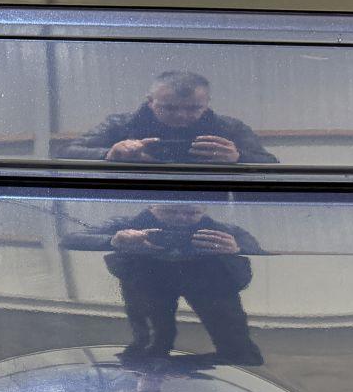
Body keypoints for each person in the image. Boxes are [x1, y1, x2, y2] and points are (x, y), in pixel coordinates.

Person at [63, 203, 264, 365]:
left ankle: (178, 368)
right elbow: (71, 239)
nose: (180, 218)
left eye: (191, 213)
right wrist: (114, 241)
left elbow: (256, 248)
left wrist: (236, 248)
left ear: (204, 210)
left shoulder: (223, 231)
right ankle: (154, 371)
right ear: (152, 207)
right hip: (148, 281)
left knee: (236, 343)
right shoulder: (128, 226)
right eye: (170, 212)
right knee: (151, 343)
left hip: (207, 283)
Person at [60, 71, 279, 165]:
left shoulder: (230, 128)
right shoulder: (120, 125)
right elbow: (65, 154)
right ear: (150, 101)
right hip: (137, 201)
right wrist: (109, 154)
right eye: (169, 108)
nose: (181, 115)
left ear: (207, 103)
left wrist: (238, 158)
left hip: (207, 205)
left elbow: (270, 165)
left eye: (193, 108)